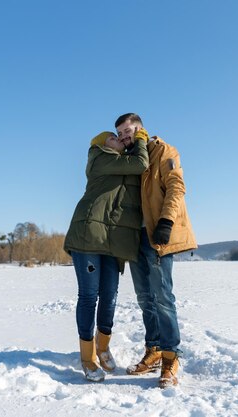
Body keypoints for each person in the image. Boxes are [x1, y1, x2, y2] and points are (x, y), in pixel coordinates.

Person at [115, 113, 197, 388]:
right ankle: (154, 349)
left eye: (129, 131)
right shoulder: (130, 159)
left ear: (140, 129)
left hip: (157, 234)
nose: (125, 137)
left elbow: (176, 186)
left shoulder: (163, 150)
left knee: (162, 297)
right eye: (122, 134)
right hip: (135, 238)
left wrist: (166, 220)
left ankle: (171, 356)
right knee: (144, 298)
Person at [64, 130, 149, 382]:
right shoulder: (100, 158)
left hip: (113, 240)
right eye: (112, 138)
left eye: (119, 137)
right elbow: (141, 163)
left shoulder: (120, 165)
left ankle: (103, 347)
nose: (117, 139)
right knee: (89, 296)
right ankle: (87, 357)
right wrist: (141, 140)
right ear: (102, 145)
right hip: (89, 235)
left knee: (110, 296)